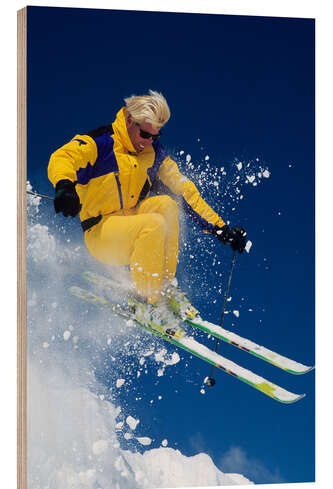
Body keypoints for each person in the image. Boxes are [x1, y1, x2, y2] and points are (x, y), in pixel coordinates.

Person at [48, 90, 246, 336]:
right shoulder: (102, 143)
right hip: (100, 233)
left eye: (156, 136)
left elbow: (185, 190)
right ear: (130, 121)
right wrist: (64, 185)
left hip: (133, 227)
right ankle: (144, 301)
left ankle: (164, 288)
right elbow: (63, 157)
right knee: (152, 224)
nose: (149, 141)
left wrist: (220, 228)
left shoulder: (153, 155)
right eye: (145, 133)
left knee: (167, 205)